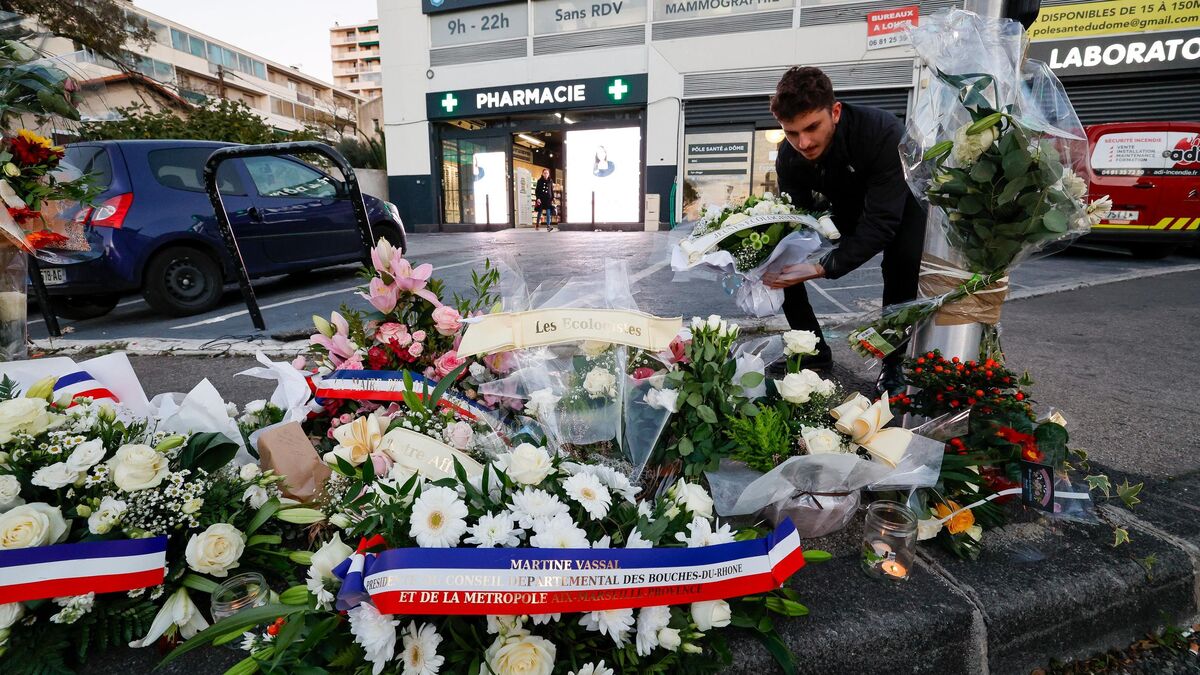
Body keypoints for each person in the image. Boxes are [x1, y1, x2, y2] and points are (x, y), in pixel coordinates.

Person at [761, 66, 926, 394]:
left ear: (834, 112)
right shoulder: (789, 156)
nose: (803, 142)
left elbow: (881, 224)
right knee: (781, 259)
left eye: (812, 128)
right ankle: (813, 351)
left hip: (899, 204)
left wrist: (823, 266)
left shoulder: (883, 132)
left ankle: (893, 365)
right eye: (792, 133)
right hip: (844, 206)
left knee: (901, 266)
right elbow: (797, 217)